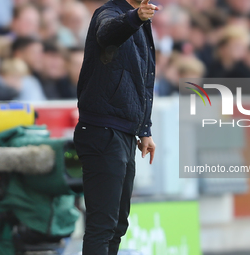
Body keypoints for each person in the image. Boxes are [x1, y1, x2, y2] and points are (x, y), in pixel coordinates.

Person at [73, 0, 158, 254]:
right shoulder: (111, 12)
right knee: (102, 226)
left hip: (122, 132)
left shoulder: (138, 20)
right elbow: (107, 32)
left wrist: (144, 129)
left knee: (118, 224)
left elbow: (141, 81)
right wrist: (135, 18)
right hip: (101, 130)